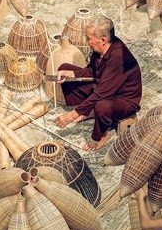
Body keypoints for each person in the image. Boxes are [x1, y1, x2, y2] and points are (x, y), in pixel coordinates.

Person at [53, 17, 142, 151]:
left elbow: (102, 93)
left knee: (102, 105)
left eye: (89, 38)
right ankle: (89, 111)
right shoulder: (100, 50)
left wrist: (72, 115)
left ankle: (101, 135)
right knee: (65, 69)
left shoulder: (118, 57)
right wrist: (70, 73)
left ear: (103, 40)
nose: (87, 42)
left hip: (124, 100)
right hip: (105, 86)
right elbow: (93, 71)